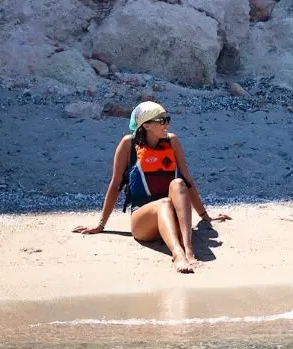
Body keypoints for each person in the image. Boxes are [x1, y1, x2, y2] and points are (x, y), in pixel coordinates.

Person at [73, 101, 231, 273]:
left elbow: (187, 180)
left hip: (172, 215)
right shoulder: (128, 144)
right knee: (163, 203)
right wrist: (100, 224)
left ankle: (188, 249)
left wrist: (205, 216)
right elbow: (116, 184)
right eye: (161, 120)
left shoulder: (172, 142)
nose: (167, 124)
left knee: (178, 183)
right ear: (146, 125)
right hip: (143, 221)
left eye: (167, 119)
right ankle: (177, 254)